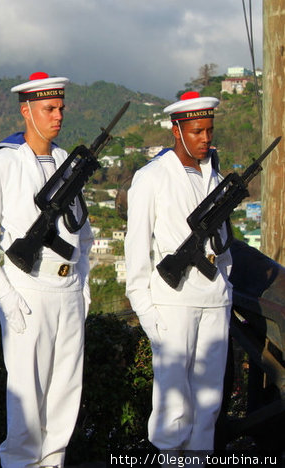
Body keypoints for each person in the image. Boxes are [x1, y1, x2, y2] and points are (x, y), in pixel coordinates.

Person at [0, 72, 93, 468]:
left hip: (67, 290)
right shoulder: (2, 162)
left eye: (60, 108)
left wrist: (83, 288)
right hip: (28, 290)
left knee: (63, 398)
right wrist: (5, 295)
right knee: (26, 402)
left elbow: (83, 236)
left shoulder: (66, 164)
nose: (57, 116)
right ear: (26, 111)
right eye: (48, 109)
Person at [124, 92, 232, 458]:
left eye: (209, 130)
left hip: (214, 302)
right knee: (173, 405)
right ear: (177, 130)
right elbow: (136, 249)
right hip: (173, 303)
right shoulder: (151, 177)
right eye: (198, 131)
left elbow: (225, 244)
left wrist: (226, 287)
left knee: (208, 401)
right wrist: (149, 314)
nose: (206, 138)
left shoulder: (215, 177)